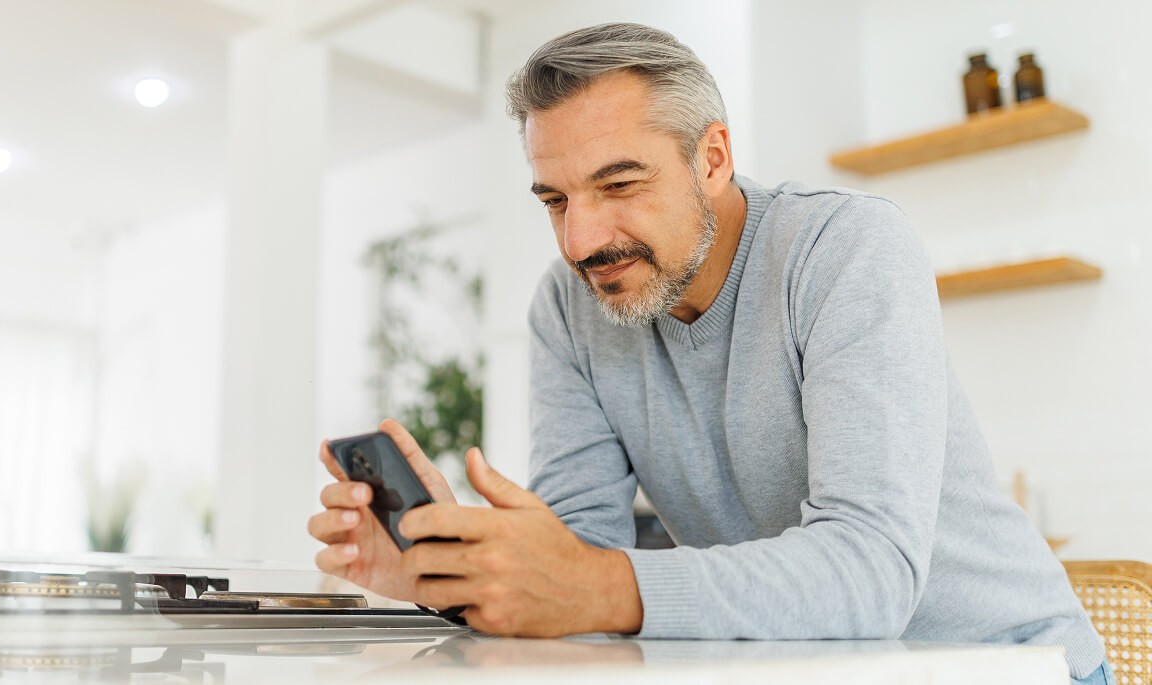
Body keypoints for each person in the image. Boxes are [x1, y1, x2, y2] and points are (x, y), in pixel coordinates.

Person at [306, 22, 1110, 684]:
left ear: (713, 158)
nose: (581, 240)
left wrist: (594, 585)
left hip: (1008, 666)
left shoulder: (845, 248)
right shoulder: (567, 304)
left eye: (619, 185)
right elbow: (581, 559)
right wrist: (450, 572)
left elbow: (871, 574)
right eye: (555, 199)